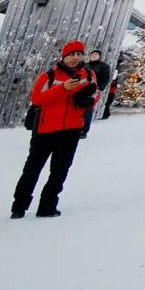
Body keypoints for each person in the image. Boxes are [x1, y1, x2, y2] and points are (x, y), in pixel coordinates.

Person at [12, 40, 100, 218]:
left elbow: (96, 93)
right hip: (45, 130)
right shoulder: (49, 76)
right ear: (64, 56)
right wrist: (62, 88)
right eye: (71, 55)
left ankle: (47, 205)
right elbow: (37, 99)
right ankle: (19, 206)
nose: (75, 58)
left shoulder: (89, 75)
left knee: (60, 170)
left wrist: (89, 101)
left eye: (78, 54)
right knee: (32, 169)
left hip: (71, 130)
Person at [81, 48, 114, 133]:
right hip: (82, 90)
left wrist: (99, 88)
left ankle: (84, 130)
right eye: (92, 55)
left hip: (93, 90)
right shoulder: (85, 65)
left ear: (99, 57)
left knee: (88, 109)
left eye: (96, 55)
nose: (94, 56)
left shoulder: (104, 66)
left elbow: (105, 78)